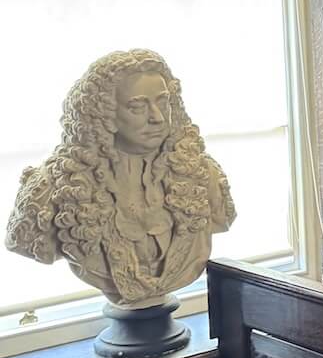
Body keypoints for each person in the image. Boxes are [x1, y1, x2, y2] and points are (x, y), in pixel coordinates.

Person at [6, 49, 235, 307]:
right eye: (137, 107)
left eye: (163, 102)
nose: (157, 118)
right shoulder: (52, 190)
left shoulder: (204, 177)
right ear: (105, 115)